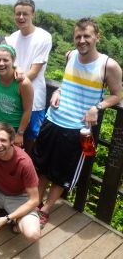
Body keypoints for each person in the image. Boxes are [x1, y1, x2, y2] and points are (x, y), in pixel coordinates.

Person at [32, 17, 122, 229]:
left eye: (86, 36)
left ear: (97, 37)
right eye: (78, 36)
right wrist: (60, 91)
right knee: (42, 167)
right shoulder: (70, 55)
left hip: (77, 129)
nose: (82, 40)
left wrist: (97, 108)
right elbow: (68, 81)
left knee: (62, 173)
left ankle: (45, 210)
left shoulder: (109, 65)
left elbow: (117, 95)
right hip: (53, 119)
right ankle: (34, 203)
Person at [6, 0, 52, 154]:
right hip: (13, 96)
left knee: (31, 137)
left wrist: (17, 85)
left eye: (25, 14)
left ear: (33, 15)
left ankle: (27, 170)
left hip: (34, 98)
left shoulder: (44, 37)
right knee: (12, 135)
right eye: (18, 13)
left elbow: (34, 71)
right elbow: (9, 63)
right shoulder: (11, 38)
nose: (21, 17)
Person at [0, 44, 33, 147]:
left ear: (13, 60)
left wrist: (20, 133)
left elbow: (28, 110)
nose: (1, 63)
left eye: (5, 60)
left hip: (15, 127)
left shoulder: (23, 84)